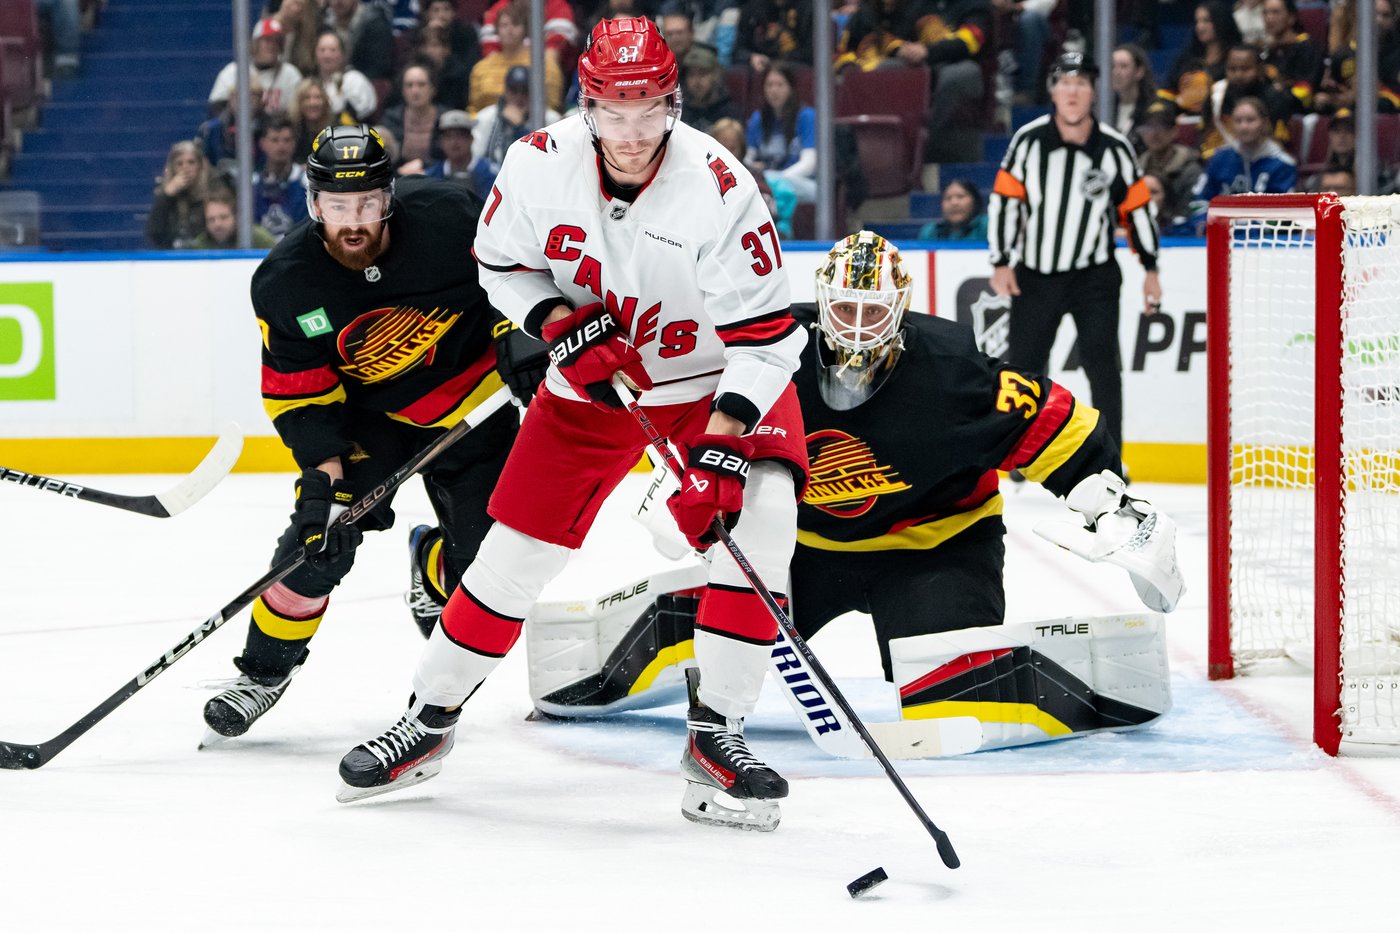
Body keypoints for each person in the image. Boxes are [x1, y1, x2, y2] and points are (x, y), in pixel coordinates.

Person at [338, 17, 809, 834]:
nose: (631, 133)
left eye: (649, 110)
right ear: (586, 104)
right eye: (613, 111)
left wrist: (724, 448)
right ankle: (429, 717)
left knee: (762, 521)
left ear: (673, 102)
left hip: (711, 381)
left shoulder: (722, 188)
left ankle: (717, 735)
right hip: (592, 387)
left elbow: (768, 339)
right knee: (513, 555)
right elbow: (499, 266)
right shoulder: (536, 165)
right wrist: (556, 322)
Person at [531, 234, 1184, 751]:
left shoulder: (951, 370)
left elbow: (1052, 419)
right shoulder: (772, 354)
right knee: (720, 650)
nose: (858, 327)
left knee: (948, 694)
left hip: (934, 547)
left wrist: (1109, 502)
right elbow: (702, 413)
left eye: (875, 312)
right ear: (823, 303)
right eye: (845, 309)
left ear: (901, 308)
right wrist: (685, 477)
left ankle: (1082, 666)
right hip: (803, 550)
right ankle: (620, 642)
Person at [200, 123, 545, 747]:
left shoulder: (450, 217)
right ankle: (262, 673)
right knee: (315, 545)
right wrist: (324, 484)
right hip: (371, 421)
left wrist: (518, 336)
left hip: (475, 404)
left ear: (389, 196)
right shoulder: (286, 283)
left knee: (484, 572)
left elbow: (514, 278)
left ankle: (432, 562)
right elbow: (302, 395)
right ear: (313, 204)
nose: (353, 221)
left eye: (367, 203)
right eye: (338, 207)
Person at [988, 53, 1162, 467]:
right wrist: (1001, 260)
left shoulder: (1114, 148)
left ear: (1093, 93)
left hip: (1094, 276)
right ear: (1053, 91)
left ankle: (1111, 458)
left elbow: (1137, 208)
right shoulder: (1028, 141)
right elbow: (1005, 202)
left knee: (1103, 367)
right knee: (1023, 370)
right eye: (1064, 83)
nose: (1072, 91)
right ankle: (1020, 454)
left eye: (1081, 83)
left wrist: (1151, 267)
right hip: (1036, 274)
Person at [1190, 96, 1297, 221]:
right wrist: (1204, 221)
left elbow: (1284, 213)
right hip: (1219, 228)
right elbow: (1199, 200)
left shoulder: (1282, 164)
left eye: (1250, 120)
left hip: (1261, 231)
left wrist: (1246, 226)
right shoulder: (1220, 158)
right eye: (1238, 121)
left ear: (1264, 123)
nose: (1243, 127)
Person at [470, 65, 561, 195]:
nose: (519, 97)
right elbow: (474, 158)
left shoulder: (550, 119)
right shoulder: (486, 116)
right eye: (514, 90)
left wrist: (520, 128)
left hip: (534, 185)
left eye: (525, 91)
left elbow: (548, 161)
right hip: (492, 184)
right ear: (505, 91)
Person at [467, 1, 565, 115]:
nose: (510, 30)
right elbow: (474, 108)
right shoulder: (481, 68)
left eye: (516, 24)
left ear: (526, 29)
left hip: (535, 117)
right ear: (497, 30)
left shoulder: (544, 64)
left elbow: (552, 105)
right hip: (491, 120)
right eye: (504, 25)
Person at [744, 63, 817, 203]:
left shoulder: (807, 116)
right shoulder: (758, 119)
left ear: (791, 88)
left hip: (802, 183)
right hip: (767, 183)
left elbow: (809, 164)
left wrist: (775, 180)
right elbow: (748, 159)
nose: (774, 90)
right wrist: (753, 166)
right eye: (769, 85)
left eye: (780, 85)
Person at [209, 18, 304, 117]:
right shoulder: (234, 71)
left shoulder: (290, 74)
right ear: (255, 44)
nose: (272, 45)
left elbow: (297, 114)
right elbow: (215, 108)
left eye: (277, 41)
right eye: (267, 40)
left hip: (277, 125)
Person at [1164, 2, 1242, 116]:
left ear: (1221, 21)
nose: (1199, 27)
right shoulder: (1186, 57)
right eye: (1197, 21)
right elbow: (1168, 89)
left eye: (1206, 21)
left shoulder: (1237, 56)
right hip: (1185, 119)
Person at [1136, 100, 1202, 230]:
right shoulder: (1135, 169)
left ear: (1175, 131)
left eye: (1162, 126)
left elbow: (1190, 212)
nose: (1154, 133)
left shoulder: (1191, 171)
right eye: (1148, 127)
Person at [147, 141, 221, 249]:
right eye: (179, 164)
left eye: (191, 162)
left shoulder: (215, 190)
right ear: (172, 168)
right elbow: (155, 234)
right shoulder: (165, 196)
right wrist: (167, 195)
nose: (185, 168)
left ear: (200, 166)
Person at [250, 115, 311, 239]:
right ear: (262, 143)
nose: (281, 146)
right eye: (274, 140)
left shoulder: (307, 181)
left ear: (294, 143)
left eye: (286, 140)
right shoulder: (252, 183)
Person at [381, 63, 446, 172]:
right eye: (409, 85)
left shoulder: (445, 119)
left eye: (421, 85)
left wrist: (426, 168)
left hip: (437, 176)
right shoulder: (391, 119)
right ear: (402, 90)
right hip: (399, 175)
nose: (415, 91)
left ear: (433, 88)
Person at [313, 28, 379, 121]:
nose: (327, 55)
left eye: (333, 50)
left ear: (343, 54)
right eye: (322, 50)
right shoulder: (311, 83)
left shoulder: (354, 80)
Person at [289, 77, 357, 162]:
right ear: (299, 102)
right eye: (307, 98)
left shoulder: (337, 129)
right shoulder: (291, 128)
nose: (313, 103)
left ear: (325, 101)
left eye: (318, 97)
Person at [679, 45, 743, 133]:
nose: (696, 81)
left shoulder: (729, 112)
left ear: (716, 75)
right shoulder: (680, 111)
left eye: (703, 74)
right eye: (691, 75)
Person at [188, 189, 279, 249]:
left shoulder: (259, 239)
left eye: (223, 217)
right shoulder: (199, 246)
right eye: (211, 220)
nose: (217, 224)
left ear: (236, 217)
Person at [1110, 44, 1155, 142]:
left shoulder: (1153, 107)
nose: (1116, 72)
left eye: (1123, 66)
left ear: (1139, 71)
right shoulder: (1104, 107)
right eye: (1112, 66)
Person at [918, 178, 987, 240]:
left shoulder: (988, 226)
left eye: (960, 196)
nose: (954, 203)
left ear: (975, 201)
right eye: (948, 198)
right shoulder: (931, 232)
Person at [422, 109, 477, 186]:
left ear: (471, 139)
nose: (454, 142)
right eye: (448, 136)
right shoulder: (430, 176)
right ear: (441, 141)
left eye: (460, 135)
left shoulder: (490, 174)